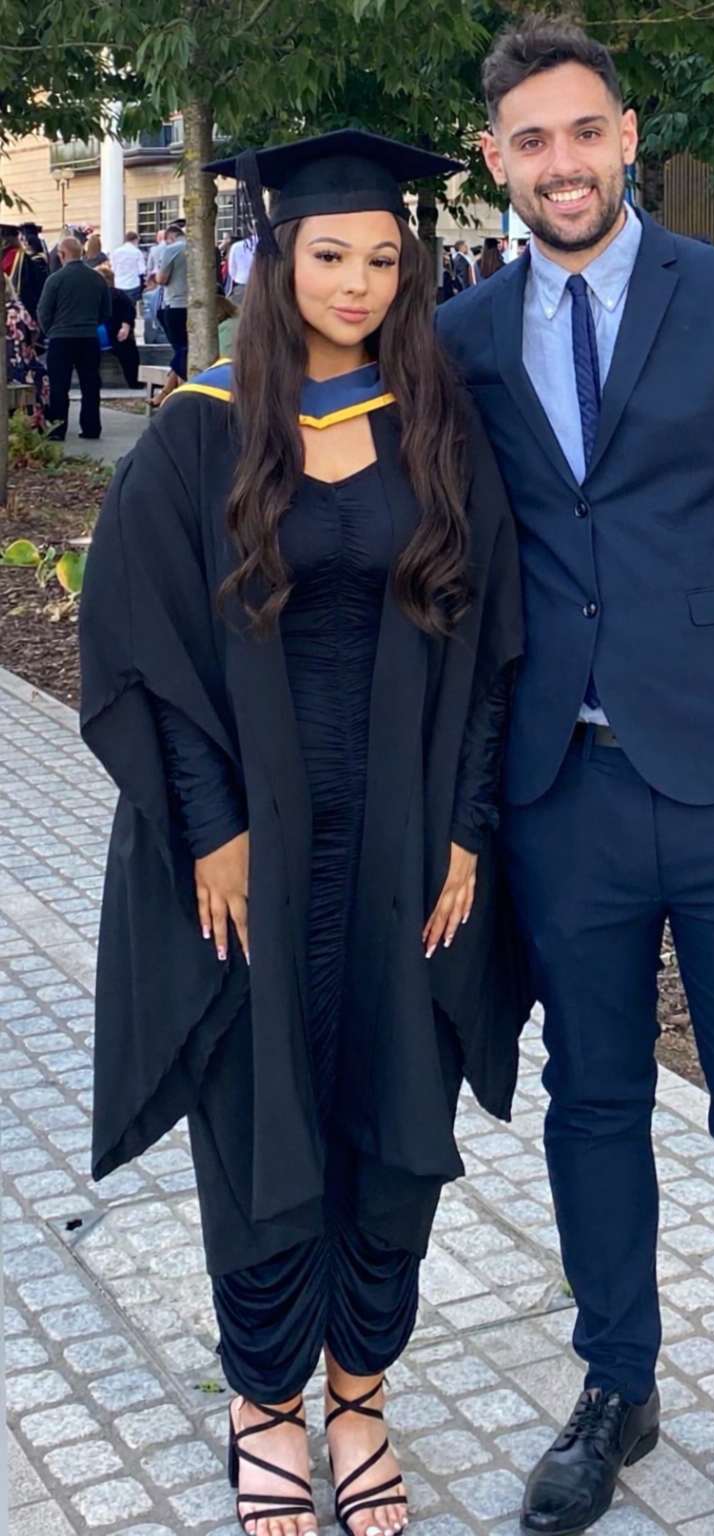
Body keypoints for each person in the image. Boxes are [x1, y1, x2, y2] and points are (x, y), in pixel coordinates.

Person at [437, 19, 714, 1536]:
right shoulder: (469, 332)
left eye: (583, 132)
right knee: (592, 1103)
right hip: (570, 793)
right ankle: (617, 1387)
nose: (561, 163)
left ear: (628, 135)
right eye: (530, 141)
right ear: (499, 158)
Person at [78, 126, 528, 1536]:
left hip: (402, 838)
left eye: (383, 259)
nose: (357, 282)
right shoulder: (206, 427)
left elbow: (491, 639)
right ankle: (265, 1402)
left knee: (395, 1115)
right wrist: (208, 831)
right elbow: (140, 641)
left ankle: (359, 1393)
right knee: (261, 1115)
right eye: (329, 255)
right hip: (255, 844)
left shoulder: (436, 421)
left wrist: (463, 831)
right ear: (277, 260)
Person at [36, 235, 111, 441]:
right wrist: (91, 324)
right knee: (90, 384)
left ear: (62, 255)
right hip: (88, 338)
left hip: (61, 338)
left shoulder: (55, 279)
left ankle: (58, 429)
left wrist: (50, 330)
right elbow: (106, 310)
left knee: (59, 385)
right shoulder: (97, 278)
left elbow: (43, 310)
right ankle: (91, 427)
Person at [5, 273, 50, 428]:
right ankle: (34, 425)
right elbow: (34, 332)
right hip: (22, 365)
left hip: (13, 366)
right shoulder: (18, 309)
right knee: (39, 376)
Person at [156, 223, 189, 385]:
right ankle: (169, 389)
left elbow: (161, 279)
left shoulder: (172, 249)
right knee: (188, 348)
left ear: (171, 237)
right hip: (197, 305)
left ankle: (178, 387)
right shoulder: (203, 246)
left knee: (180, 349)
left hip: (175, 303)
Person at [98, 266, 141, 388]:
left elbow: (128, 310)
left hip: (115, 333)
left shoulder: (117, 295)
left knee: (129, 354)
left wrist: (126, 325)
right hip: (96, 334)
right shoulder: (89, 295)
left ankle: (134, 382)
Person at [110, 231, 147, 304]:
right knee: (132, 306)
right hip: (133, 284)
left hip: (119, 283)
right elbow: (142, 270)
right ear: (135, 240)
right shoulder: (137, 252)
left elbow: (113, 268)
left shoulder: (116, 252)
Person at [228, 230, 257, 303]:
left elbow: (232, 270)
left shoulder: (236, 246)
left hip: (241, 284)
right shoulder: (268, 246)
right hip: (262, 285)